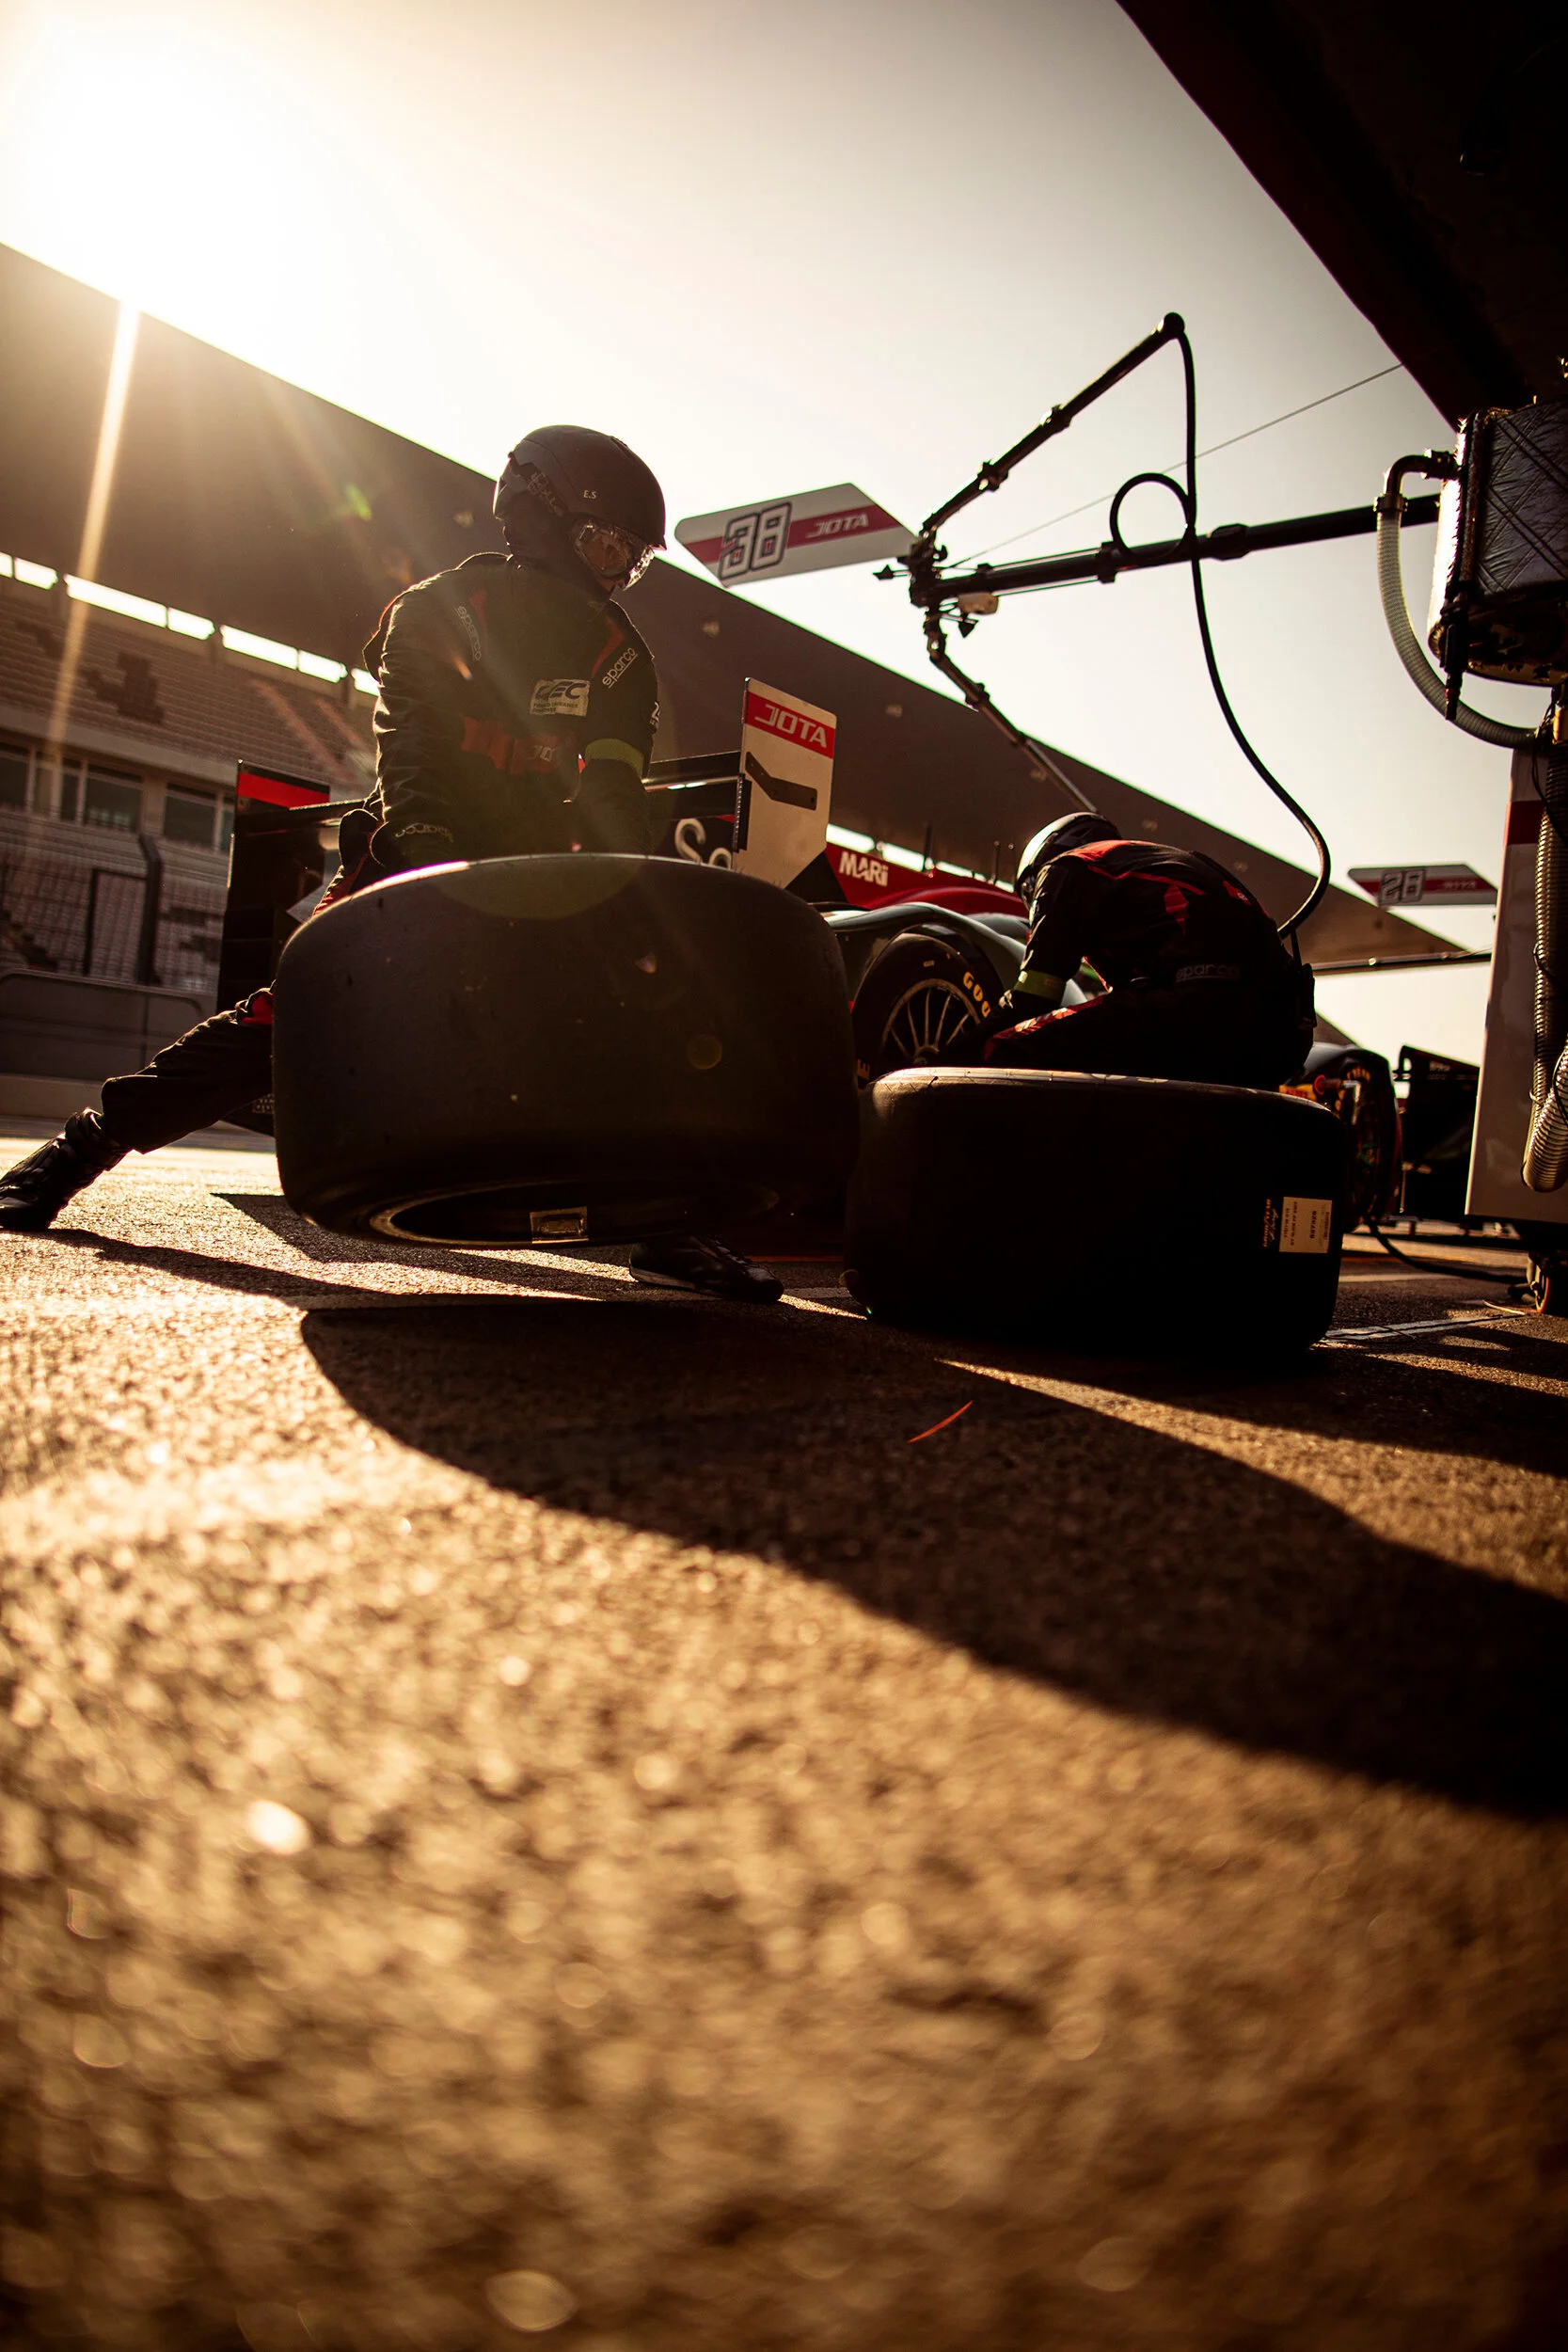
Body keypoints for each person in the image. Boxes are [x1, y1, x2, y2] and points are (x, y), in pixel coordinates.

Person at [0, 425, 782, 1301]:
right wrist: (442, 883)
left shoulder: (620, 651)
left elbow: (611, 787)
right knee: (282, 1024)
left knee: (636, 1011)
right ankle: (74, 1153)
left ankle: (667, 1230)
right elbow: (412, 762)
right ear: (542, 516)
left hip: (542, 871)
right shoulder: (439, 611)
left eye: (629, 561)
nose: (612, 572)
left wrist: (611, 895)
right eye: (605, 545)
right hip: (414, 854)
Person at [977, 812, 1314, 1086]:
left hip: (1199, 1010)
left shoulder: (1069, 866)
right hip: (1285, 1036)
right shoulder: (1161, 868)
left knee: (1004, 1051)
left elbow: (1034, 996)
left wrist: (944, 1061)